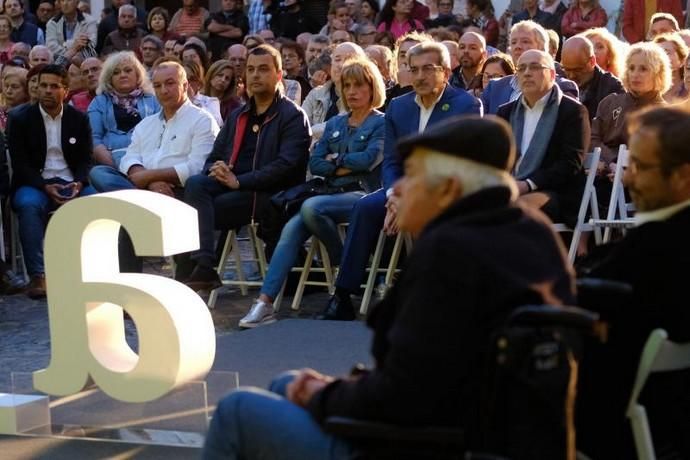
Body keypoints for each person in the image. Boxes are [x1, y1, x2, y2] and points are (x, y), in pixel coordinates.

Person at [202, 115, 576, 459]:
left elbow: (404, 397)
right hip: (502, 432)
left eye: (410, 176)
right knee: (287, 383)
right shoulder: (533, 232)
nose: (396, 191)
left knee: (238, 410)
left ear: (448, 189)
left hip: (429, 441)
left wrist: (325, 394)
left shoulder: (449, 250)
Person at [320, 40, 482, 320]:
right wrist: (395, 195)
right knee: (365, 207)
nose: (419, 76)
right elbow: (393, 160)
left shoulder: (466, 105)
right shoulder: (399, 106)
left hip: (446, 191)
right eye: (413, 69)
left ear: (445, 71)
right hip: (402, 189)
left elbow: (457, 162)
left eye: (428, 69)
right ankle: (343, 295)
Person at [577, 106, 690, 459]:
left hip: (623, 428)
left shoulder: (655, 251)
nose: (626, 179)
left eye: (640, 167)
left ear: (683, 177)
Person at [238, 57, 386, 328]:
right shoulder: (335, 124)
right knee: (293, 227)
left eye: (359, 85)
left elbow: (368, 161)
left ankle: (350, 270)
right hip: (328, 193)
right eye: (347, 85)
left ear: (373, 87)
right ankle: (265, 302)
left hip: (364, 194)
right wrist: (339, 164)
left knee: (310, 209)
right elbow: (315, 162)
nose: (352, 91)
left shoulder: (382, 123)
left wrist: (335, 162)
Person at [179, 45, 311, 290]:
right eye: (250, 70)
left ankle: (194, 270)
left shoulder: (292, 115)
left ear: (279, 75)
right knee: (194, 185)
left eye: (263, 69)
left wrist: (241, 181)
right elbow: (213, 157)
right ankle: (204, 266)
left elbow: (287, 167)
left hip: (271, 194)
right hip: (232, 186)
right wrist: (216, 169)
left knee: (197, 211)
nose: (255, 75)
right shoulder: (238, 115)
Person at [89, 61, 219, 271]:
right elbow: (129, 158)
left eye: (170, 83)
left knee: (129, 211)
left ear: (185, 86)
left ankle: (130, 294)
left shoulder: (202, 120)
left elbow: (197, 167)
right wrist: (151, 182)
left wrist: (150, 178)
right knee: (99, 172)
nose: (163, 90)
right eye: (157, 86)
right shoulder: (146, 124)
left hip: (180, 193)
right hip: (144, 189)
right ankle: (128, 297)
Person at [7, 64, 95, 299]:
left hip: (71, 182)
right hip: (35, 182)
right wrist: (44, 186)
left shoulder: (79, 119)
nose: (47, 90)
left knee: (96, 203)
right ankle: (38, 275)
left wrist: (78, 183)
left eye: (54, 86)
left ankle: (93, 271)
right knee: (29, 205)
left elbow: (86, 160)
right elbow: (21, 163)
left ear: (65, 90)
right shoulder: (20, 118)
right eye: (43, 85)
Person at [497, 49, 589, 225]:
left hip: (555, 192)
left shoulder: (572, 111)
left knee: (511, 210)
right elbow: (497, 159)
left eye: (535, 67)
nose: (527, 73)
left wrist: (528, 184)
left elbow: (570, 163)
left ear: (552, 74)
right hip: (511, 189)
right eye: (521, 68)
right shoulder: (506, 112)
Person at [591, 42, 670, 174]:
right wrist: (611, 162)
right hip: (601, 174)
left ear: (658, 74)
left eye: (643, 69)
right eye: (631, 68)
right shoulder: (610, 102)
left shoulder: (665, 114)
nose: (635, 74)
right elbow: (593, 139)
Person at [481, 20, 578, 114]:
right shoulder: (494, 88)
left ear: (542, 48)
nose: (517, 46)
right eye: (513, 42)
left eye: (525, 41)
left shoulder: (563, 88)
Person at [88, 51, 159, 167]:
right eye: (116, 73)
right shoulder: (99, 102)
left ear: (137, 74)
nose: (122, 75)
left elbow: (163, 131)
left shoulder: (153, 100)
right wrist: (112, 163)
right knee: (98, 174)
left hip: (148, 157)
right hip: (113, 157)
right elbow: (94, 138)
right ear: (109, 79)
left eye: (128, 70)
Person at [302, 42, 365, 141]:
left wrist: (310, 131)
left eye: (348, 60)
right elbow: (299, 126)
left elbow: (339, 125)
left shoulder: (362, 95)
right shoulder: (315, 94)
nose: (340, 65)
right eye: (337, 59)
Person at [560, 35, 623, 122]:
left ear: (592, 61)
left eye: (577, 70)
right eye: (567, 70)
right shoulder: (558, 82)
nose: (571, 76)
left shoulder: (612, 89)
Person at [45, 0, 96, 66]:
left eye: (69, 0)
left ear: (77, 2)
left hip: (83, 64)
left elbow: (91, 46)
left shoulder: (90, 21)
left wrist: (64, 46)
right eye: (62, 0)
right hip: (59, 64)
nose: (65, 3)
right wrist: (74, 47)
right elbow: (51, 48)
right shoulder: (52, 23)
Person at [184, 60, 223, 126]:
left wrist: (191, 102)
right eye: (184, 78)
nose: (187, 82)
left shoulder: (211, 101)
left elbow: (217, 122)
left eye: (192, 79)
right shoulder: (172, 100)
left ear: (199, 82)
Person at [654, 33, 689, 102]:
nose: (660, 57)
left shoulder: (688, 89)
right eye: (656, 53)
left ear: (682, 60)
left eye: (667, 52)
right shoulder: (647, 89)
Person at [0, 67, 27, 132]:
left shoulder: (32, 115)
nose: (8, 91)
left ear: (26, 90)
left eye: (14, 87)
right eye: (6, 86)